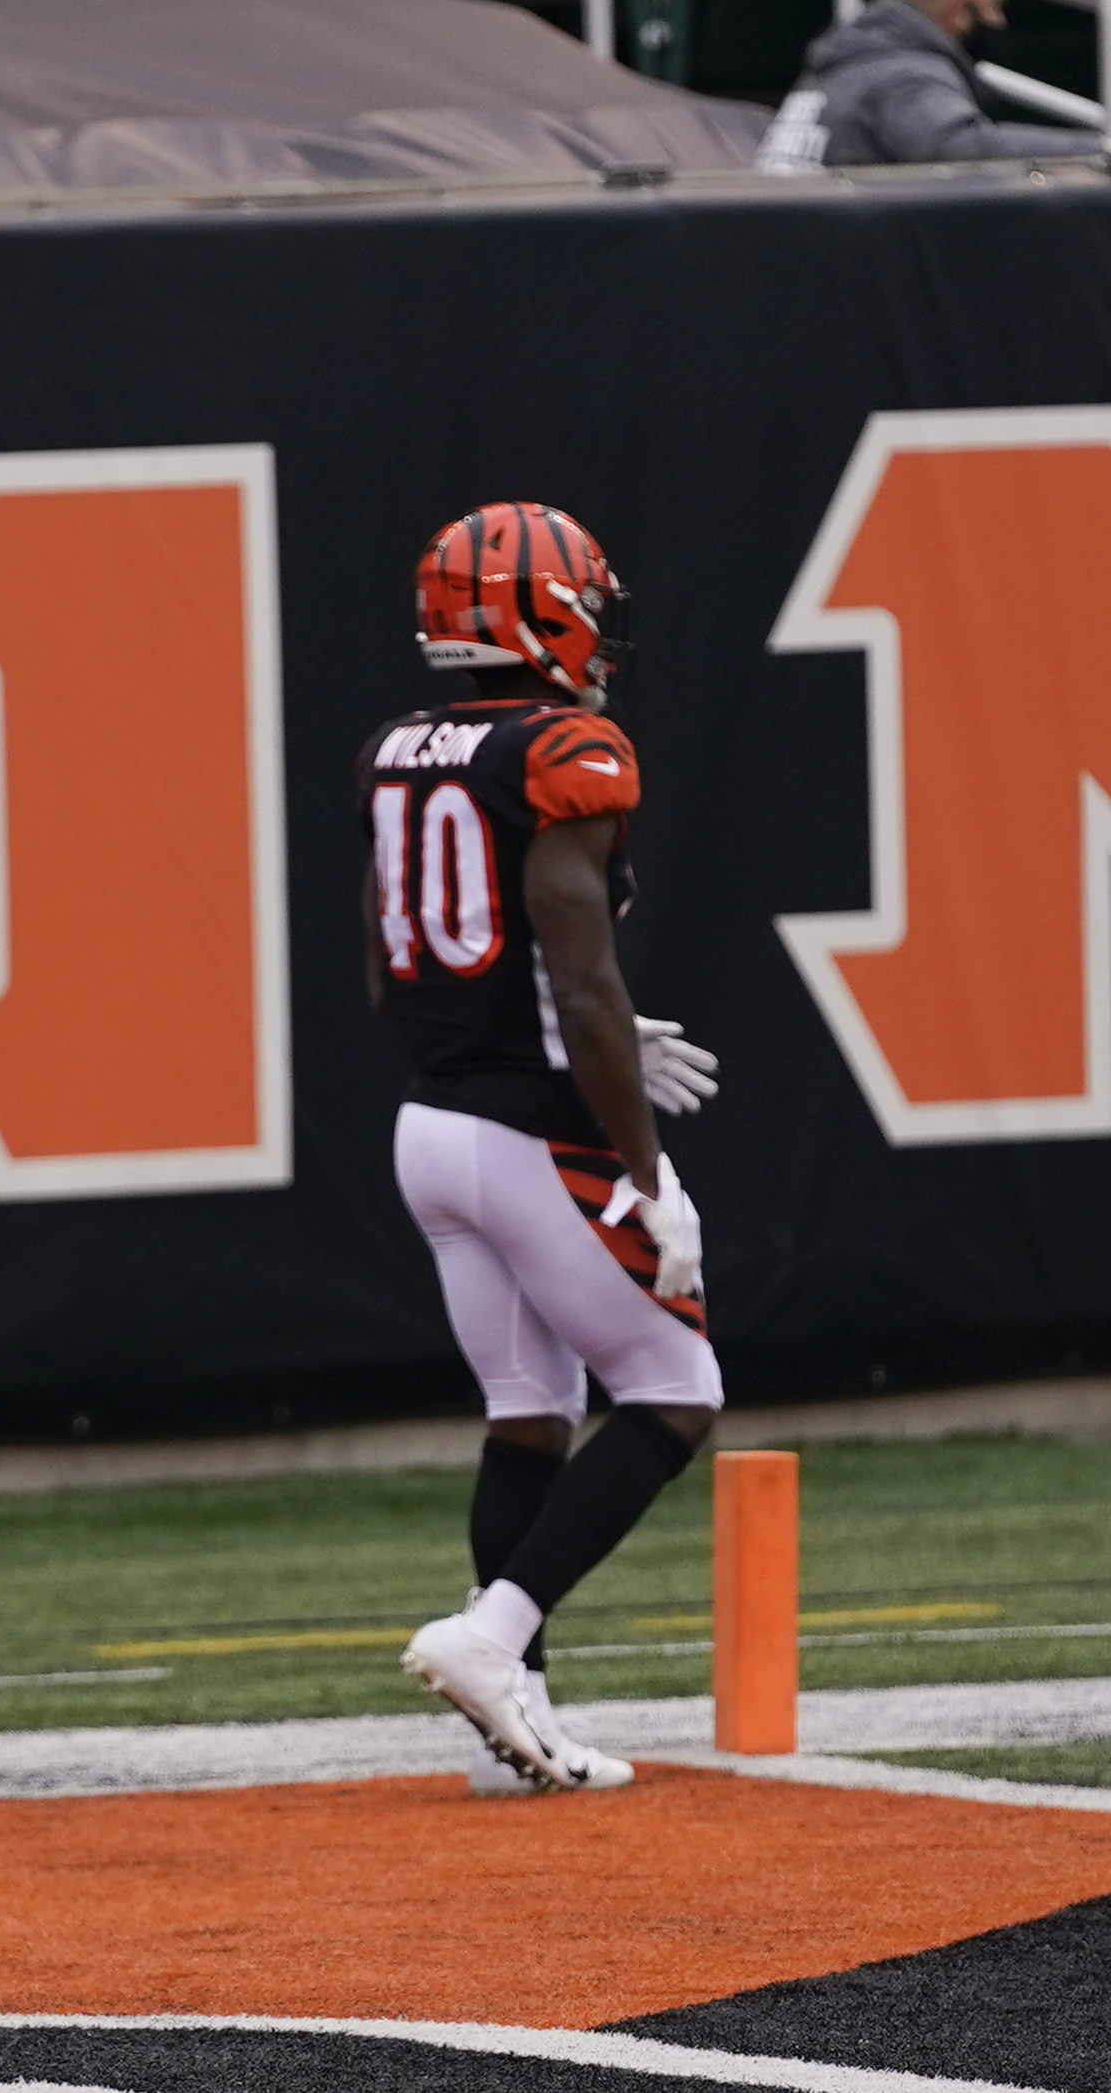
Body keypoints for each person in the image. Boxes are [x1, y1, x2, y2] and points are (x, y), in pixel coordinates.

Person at [363, 504, 724, 1794]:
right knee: (677, 1387)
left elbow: (387, 964)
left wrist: (584, 1031)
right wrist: (644, 1166)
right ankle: (493, 1633)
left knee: (531, 1413)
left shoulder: (400, 749)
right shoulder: (568, 747)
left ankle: (514, 1720)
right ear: (543, 610)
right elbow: (577, 977)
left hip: (431, 1120)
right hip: (528, 1129)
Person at [758, 0, 1108, 171]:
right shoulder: (906, 75)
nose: (998, 21)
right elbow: (962, 149)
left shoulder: (844, 62)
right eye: (993, 6)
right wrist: (1102, 151)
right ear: (958, 10)